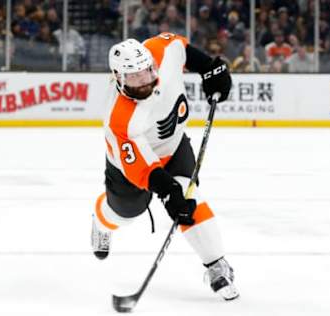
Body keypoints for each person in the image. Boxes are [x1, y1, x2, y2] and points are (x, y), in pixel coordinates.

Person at [91, 32, 239, 301]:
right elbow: (143, 168)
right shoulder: (120, 118)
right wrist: (167, 190)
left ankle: (216, 264)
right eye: (135, 77)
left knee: (189, 196)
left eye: (147, 72)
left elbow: (180, 47)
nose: (145, 80)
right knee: (123, 214)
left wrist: (209, 67)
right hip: (129, 168)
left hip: (173, 146)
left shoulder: (159, 50)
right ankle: (101, 222)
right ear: (119, 78)